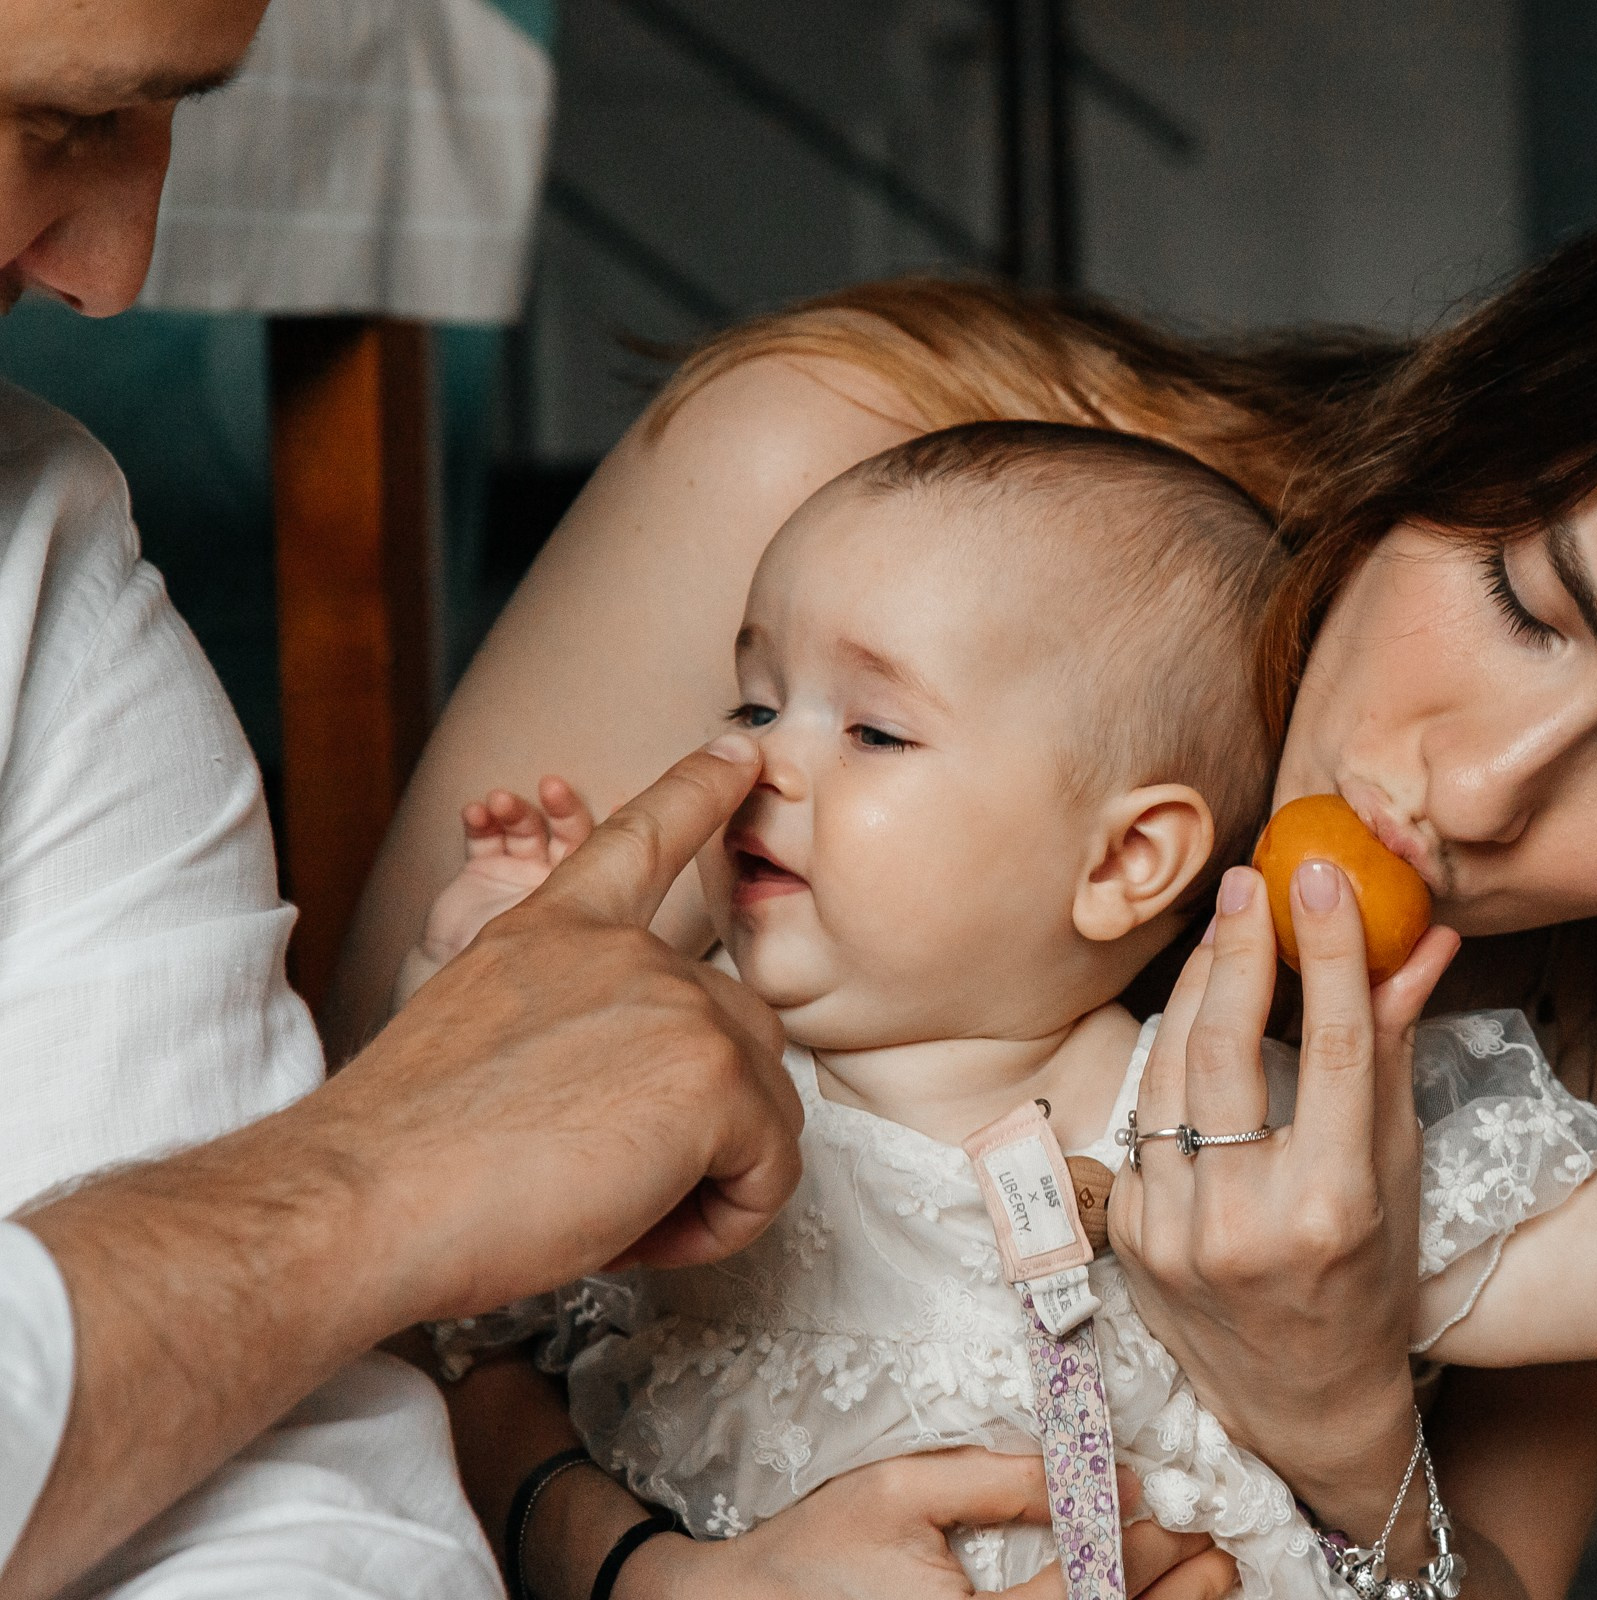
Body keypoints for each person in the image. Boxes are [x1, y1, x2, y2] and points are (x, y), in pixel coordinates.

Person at [338, 132, 1597, 1600]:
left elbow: (1482, 1539)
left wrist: (1332, 1418)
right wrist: (646, 1574)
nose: (1472, 794)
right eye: (1523, 597)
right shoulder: (839, 514)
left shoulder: (1596, 997)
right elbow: (355, 1284)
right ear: (1477, 403)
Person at [0, 5, 1220, 1599]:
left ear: (1135, 857)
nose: (114, 274)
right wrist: (417, 1116)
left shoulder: (57, 569)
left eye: (874, 731)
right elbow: (444, 1334)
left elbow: (281, 1477)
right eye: (55, 120)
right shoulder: (734, 1102)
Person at [402, 418, 1597, 1596]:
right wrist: (496, 959)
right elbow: (464, 1200)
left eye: (871, 731)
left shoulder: (1200, 1105)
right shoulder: (699, 1046)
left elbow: (1535, 1261)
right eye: (755, 700)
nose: (766, 761)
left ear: (1125, 861)